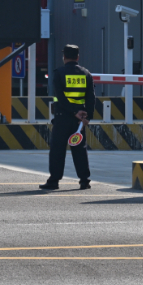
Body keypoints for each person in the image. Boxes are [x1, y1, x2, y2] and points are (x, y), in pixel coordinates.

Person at [40, 44, 96, 190]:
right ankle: (84, 181)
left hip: (62, 117)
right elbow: (91, 98)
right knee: (79, 150)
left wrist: (72, 112)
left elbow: (61, 97)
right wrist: (87, 117)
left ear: (64, 57)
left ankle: (54, 181)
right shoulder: (86, 74)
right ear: (78, 57)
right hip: (79, 121)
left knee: (58, 150)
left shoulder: (59, 73)